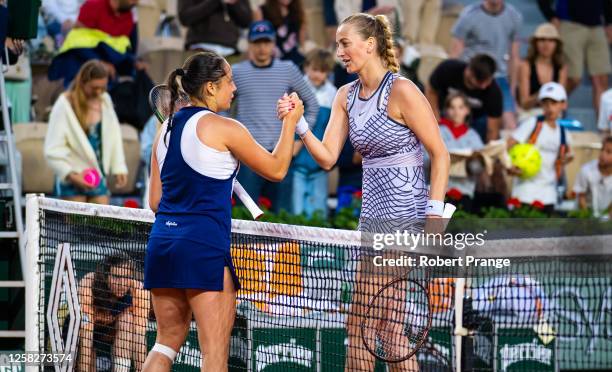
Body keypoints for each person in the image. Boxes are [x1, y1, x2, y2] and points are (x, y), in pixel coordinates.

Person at [278, 13, 449, 371]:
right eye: (337, 43)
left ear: (369, 45)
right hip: (372, 218)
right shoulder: (345, 95)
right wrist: (301, 125)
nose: (338, 51)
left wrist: (434, 217)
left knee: (361, 324)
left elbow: (440, 153)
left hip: (405, 216)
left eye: (344, 43)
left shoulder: (402, 90)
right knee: (388, 328)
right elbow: (326, 158)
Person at [142, 51, 304, 371]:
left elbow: (156, 202)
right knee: (214, 357)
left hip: (163, 243)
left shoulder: (164, 130)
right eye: (229, 81)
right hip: (204, 247)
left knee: (165, 344)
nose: (234, 88)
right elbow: (277, 169)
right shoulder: (226, 128)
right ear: (212, 88)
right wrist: (290, 123)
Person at [232, 20, 318, 212]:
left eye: (266, 42)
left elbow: (311, 104)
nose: (262, 48)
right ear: (249, 44)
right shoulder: (237, 72)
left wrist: (300, 138)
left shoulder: (287, 69)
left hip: (282, 152)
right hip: (249, 154)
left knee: (281, 216)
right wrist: (231, 136)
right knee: (245, 215)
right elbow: (221, 105)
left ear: (273, 43)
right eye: (257, 43)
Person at [44, 60, 128, 204]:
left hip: (98, 177)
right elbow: (53, 148)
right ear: (83, 82)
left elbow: (113, 137)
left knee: (101, 224)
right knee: (75, 226)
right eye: (94, 87)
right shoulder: (64, 104)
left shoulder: (105, 101)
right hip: (72, 178)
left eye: (102, 87)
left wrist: (119, 167)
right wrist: (70, 174)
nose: (99, 92)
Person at [450, 0, 523, 132]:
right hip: (472, 76)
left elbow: (514, 56)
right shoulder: (469, 15)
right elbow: (456, 51)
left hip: (499, 77)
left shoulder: (514, 16)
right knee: (458, 117)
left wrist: (512, 92)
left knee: (511, 125)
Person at [75, 253, 150, 372]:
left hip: (111, 331)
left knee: (127, 319)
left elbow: (139, 337)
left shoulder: (139, 291)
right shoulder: (89, 285)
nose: (121, 283)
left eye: (127, 277)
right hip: (83, 331)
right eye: (116, 277)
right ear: (106, 276)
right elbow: (86, 334)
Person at [507, 82, 573, 213]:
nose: (549, 108)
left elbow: (569, 155)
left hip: (548, 193)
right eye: (545, 103)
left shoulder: (564, 133)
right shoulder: (532, 123)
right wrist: (509, 166)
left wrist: (566, 159)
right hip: (525, 190)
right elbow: (509, 144)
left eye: (554, 103)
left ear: (563, 104)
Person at [537, 0, 612, 113]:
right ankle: (547, 109)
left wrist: (609, 21)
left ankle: (604, 128)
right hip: (569, 24)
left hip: (597, 25)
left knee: (602, 79)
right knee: (573, 77)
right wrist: (550, 15)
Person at [291, 48, 337, 217]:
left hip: (318, 164)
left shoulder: (333, 93)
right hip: (297, 163)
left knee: (318, 212)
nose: (318, 74)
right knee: (296, 211)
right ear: (306, 68)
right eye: (315, 69)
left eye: (323, 71)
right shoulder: (297, 90)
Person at [426, 54, 502, 143]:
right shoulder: (449, 69)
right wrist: (434, 120)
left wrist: (490, 151)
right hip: (444, 113)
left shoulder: (493, 91)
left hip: (474, 122)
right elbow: (431, 91)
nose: (484, 86)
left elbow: (493, 129)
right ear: (469, 71)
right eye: (480, 81)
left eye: (488, 81)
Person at [439, 92, 484, 211]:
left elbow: (479, 167)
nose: (456, 112)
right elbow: (426, 159)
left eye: (460, 107)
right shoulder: (437, 131)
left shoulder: (473, 136)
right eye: (452, 107)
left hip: (464, 191)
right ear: (446, 110)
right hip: (439, 191)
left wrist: (470, 163)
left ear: (467, 110)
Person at [517, 23, 568, 113]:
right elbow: (524, 103)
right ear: (535, 43)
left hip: (554, 114)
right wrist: (543, 94)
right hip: (530, 113)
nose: (546, 44)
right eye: (542, 40)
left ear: (557, 44)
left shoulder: (561, 67)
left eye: (551, 40)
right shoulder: (526, 66)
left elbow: (562, 101)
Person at [178, 0, 252, 60]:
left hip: (230, 51)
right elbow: (185, 17)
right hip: (200, 48)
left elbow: (246, 21)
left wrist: (234, 4)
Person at [255, 0, 306, 66]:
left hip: (295, 60)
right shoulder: (261, 12)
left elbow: (302, 43)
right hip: (271, 61)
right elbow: (256, 40)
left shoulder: (298, 11)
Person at [573, 136, 612, 218]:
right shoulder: (586, 170)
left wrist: (607, 217)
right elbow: (581, 196)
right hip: (584, 217)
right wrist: (587, 218)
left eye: (608, 152)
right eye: (602, 149)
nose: (602, 154)